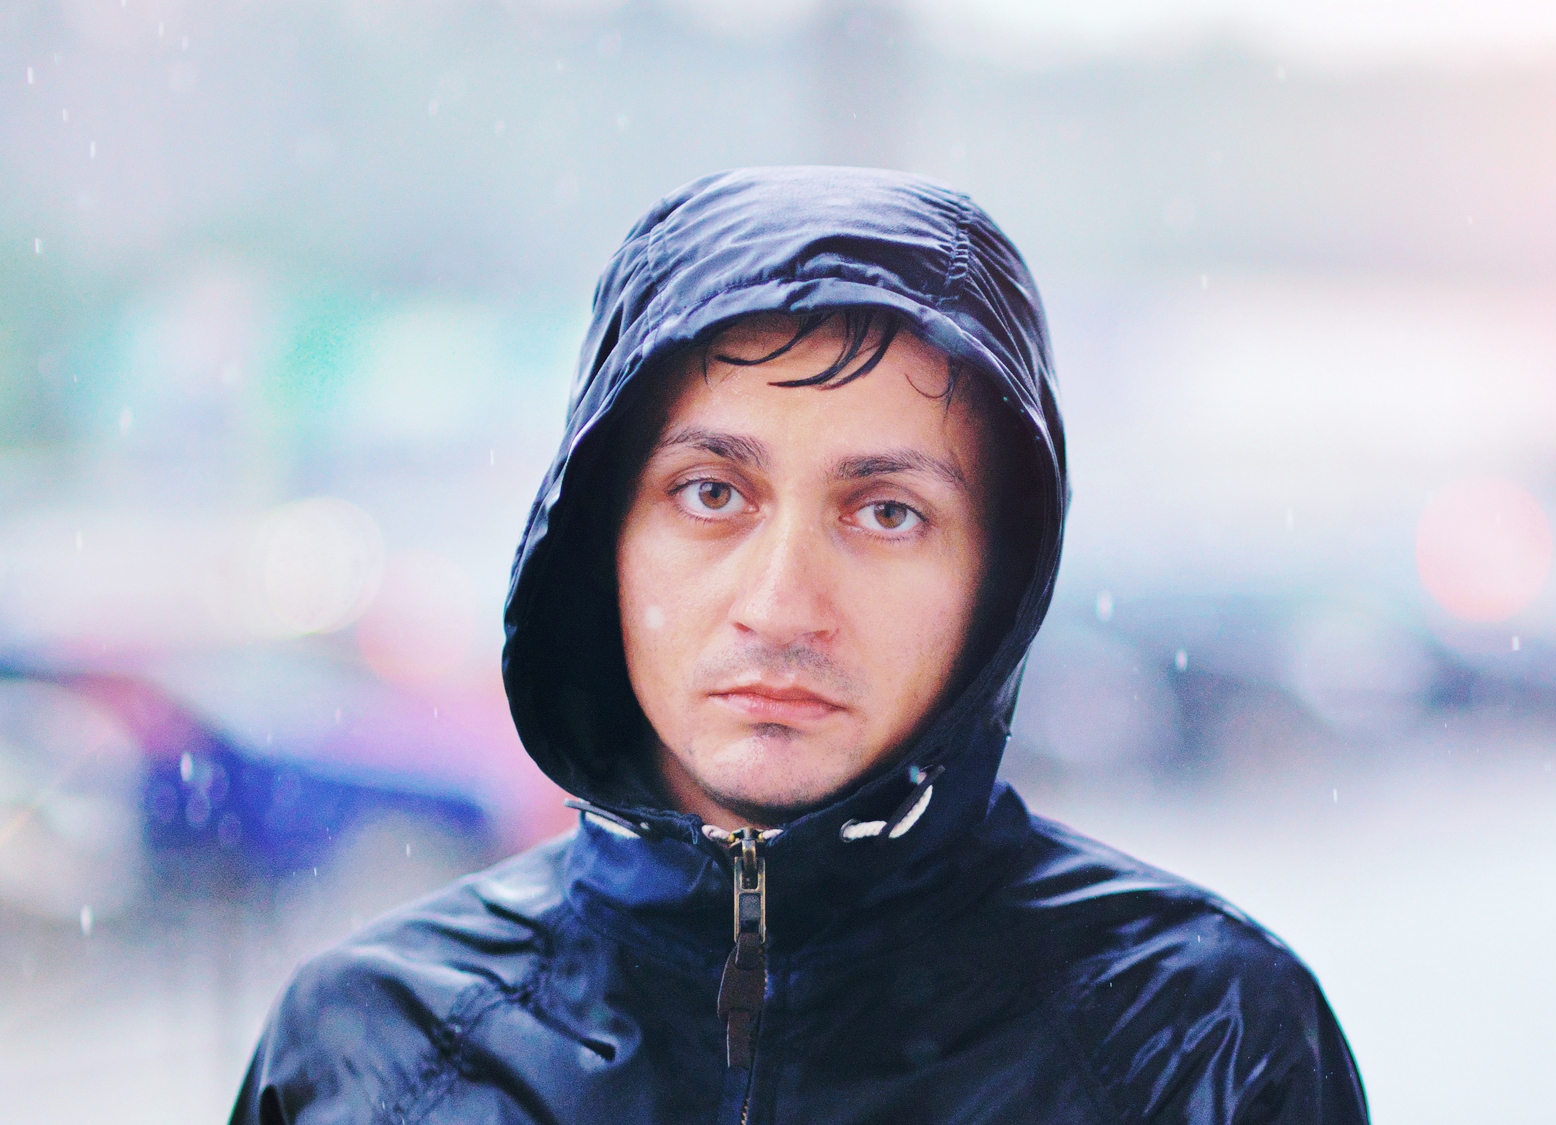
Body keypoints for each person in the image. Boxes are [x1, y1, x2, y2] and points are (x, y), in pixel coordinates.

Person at [232, 166, 1369, 1124]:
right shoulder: (372, 1055)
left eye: (884, 513)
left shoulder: (1195, 1045)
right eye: (712, 492)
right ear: (601, 537)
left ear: (997, 576)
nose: (781, 605)